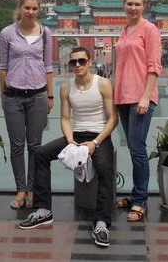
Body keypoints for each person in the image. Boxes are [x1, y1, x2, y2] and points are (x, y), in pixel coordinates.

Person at [18, 47, 117, 247]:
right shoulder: (66, 87)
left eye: (82, 61)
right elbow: (65, 118)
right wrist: (70, 141)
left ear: (90, 61)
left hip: (99, 137)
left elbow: (113, 119)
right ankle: (43, 210)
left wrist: (95, 143)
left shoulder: (103, 84)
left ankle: (101, 223)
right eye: (73, 62)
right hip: (77, 136)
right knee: (41, 154)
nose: (77, 65)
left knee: (105, 168)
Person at [0, 0, 54, 209]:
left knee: (35, 146)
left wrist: (50, 95)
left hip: (38, 95)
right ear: (20, 8)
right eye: (27, 8)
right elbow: (3, 66)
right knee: (16, 146)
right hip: (13, 96)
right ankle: (20, 189)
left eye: (34, 8)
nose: (30, 12)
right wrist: (3, 96)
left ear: (39, 10)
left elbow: (48, 66)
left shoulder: (45, 33)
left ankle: (32, 189)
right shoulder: (7, 33)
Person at [113, 0, 162, 222]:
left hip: (141, 97)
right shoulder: (125, 30)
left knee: (137, 148)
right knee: (133, 147)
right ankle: (135, 195)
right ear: (124, 5)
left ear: (144, 6)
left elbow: (154, 66)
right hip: (124, 96)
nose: (133, 8)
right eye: (129, 4)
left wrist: (145, 96)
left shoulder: (149, 29)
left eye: (137, 4)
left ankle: (141, 200)